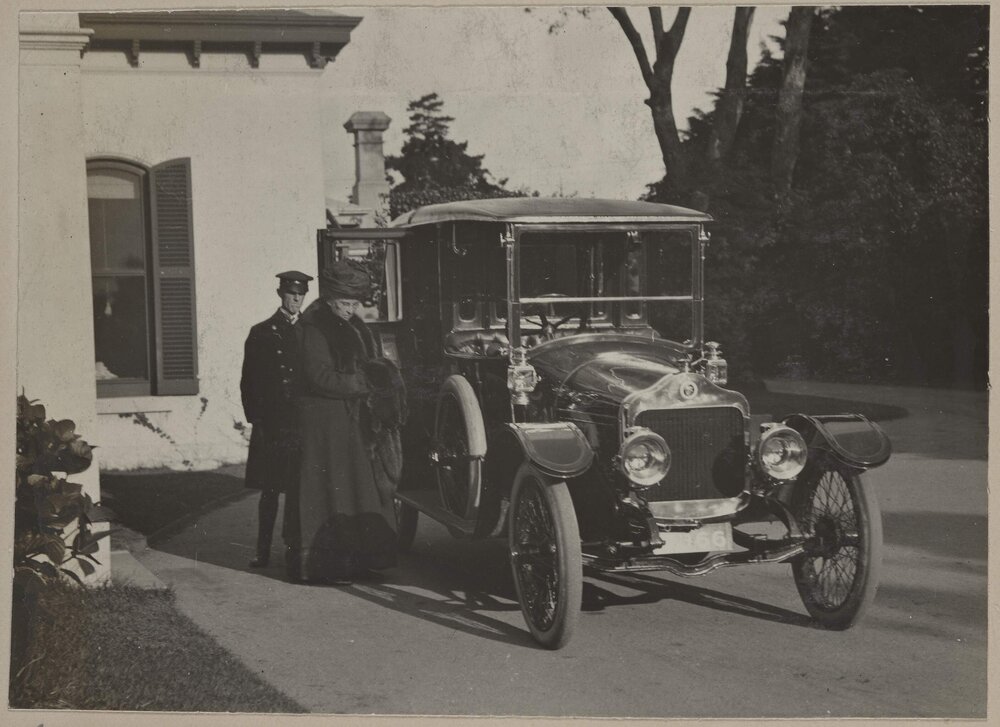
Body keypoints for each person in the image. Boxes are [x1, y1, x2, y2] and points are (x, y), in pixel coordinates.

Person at [291, 260, 403, 585]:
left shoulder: (351, 323)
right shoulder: (314, 327)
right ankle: (324, 566)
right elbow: (319, 377)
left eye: (354, 303)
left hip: (349, 420)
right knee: (330, 495)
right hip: (324, 424)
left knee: (355, 493)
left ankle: (356, 561)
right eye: (345, 303)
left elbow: (365, 362)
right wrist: (366, 384)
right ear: (330, 298)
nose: (350, 309)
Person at [240, 270, 313, 568]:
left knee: (299, 490)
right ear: (280, 294)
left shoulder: (311, 331)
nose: (296, 299)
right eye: (291, 293)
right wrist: (256, 418)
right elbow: (248, 381)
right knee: (269, 492)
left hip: (301, 424)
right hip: (272, 424)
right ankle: (263, 550)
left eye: (301, 294)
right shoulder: (261, 332)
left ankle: (297, 549)